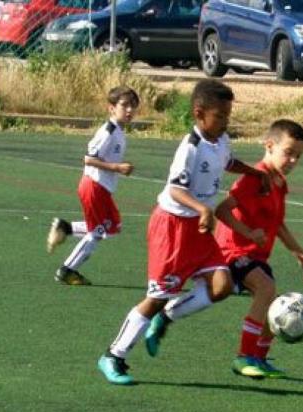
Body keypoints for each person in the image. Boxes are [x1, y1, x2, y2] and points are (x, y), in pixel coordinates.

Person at [96, 79, 269, 385]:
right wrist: (203, 209)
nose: (225, 122)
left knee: (222, 286)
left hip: (197, 228)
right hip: (172, 227)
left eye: (228, 116)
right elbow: (175, 190)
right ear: (199, 113)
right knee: (157, 297)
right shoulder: (189, 148)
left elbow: (227, 161)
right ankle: (114, 355)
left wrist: (254, 172)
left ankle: (166, 319)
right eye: (220, 116)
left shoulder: (221, 139)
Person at [214, 119, 303, 379]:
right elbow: (222, 209)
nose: (293, 161)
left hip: (256, 255)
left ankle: (260, 359)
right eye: (288, 153)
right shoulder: (254, 179)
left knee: (273, 305)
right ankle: (243, 357)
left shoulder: (279, 183)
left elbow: (278, 225)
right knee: (267, 289)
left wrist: (302, 257)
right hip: (233, 252)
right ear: (269, 145)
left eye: (298, 156)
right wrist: (248, 233)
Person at [46, 85, 139, 286]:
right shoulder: (108, 131)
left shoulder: (119, 132)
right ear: (111, 108)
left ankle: (66, 228)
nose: (130, 110)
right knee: (97, 232)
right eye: (124, 105)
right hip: (94, 186)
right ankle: (67, 270)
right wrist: (117, 167)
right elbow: (88, 159)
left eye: (133, 106)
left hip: (101, 188)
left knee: (113, 226)